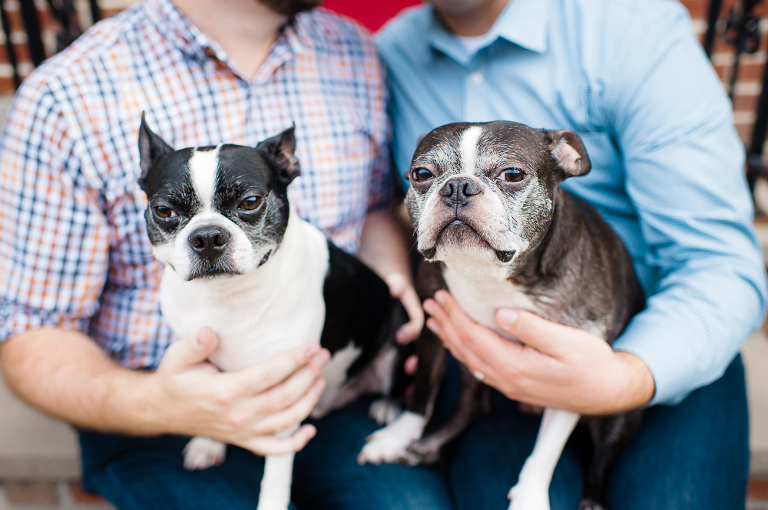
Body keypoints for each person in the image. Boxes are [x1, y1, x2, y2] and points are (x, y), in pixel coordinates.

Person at [0, 1, 455, 509]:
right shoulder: (66, 92)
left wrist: (390, 281)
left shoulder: (354, 52)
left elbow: (375, 206)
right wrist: (161, 405)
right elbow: (31, 328)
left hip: (330, 378)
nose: (210, 237)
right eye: (173, 215)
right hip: (152, 408)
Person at [376, 0, 768, 508]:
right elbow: (369, 200)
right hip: (486, 346)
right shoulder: (385, 56)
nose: (458, 193)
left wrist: (624, 377)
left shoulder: (630, 27)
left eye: (511, 174)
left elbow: (720, 263)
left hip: (655, 329)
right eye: (430, 177)